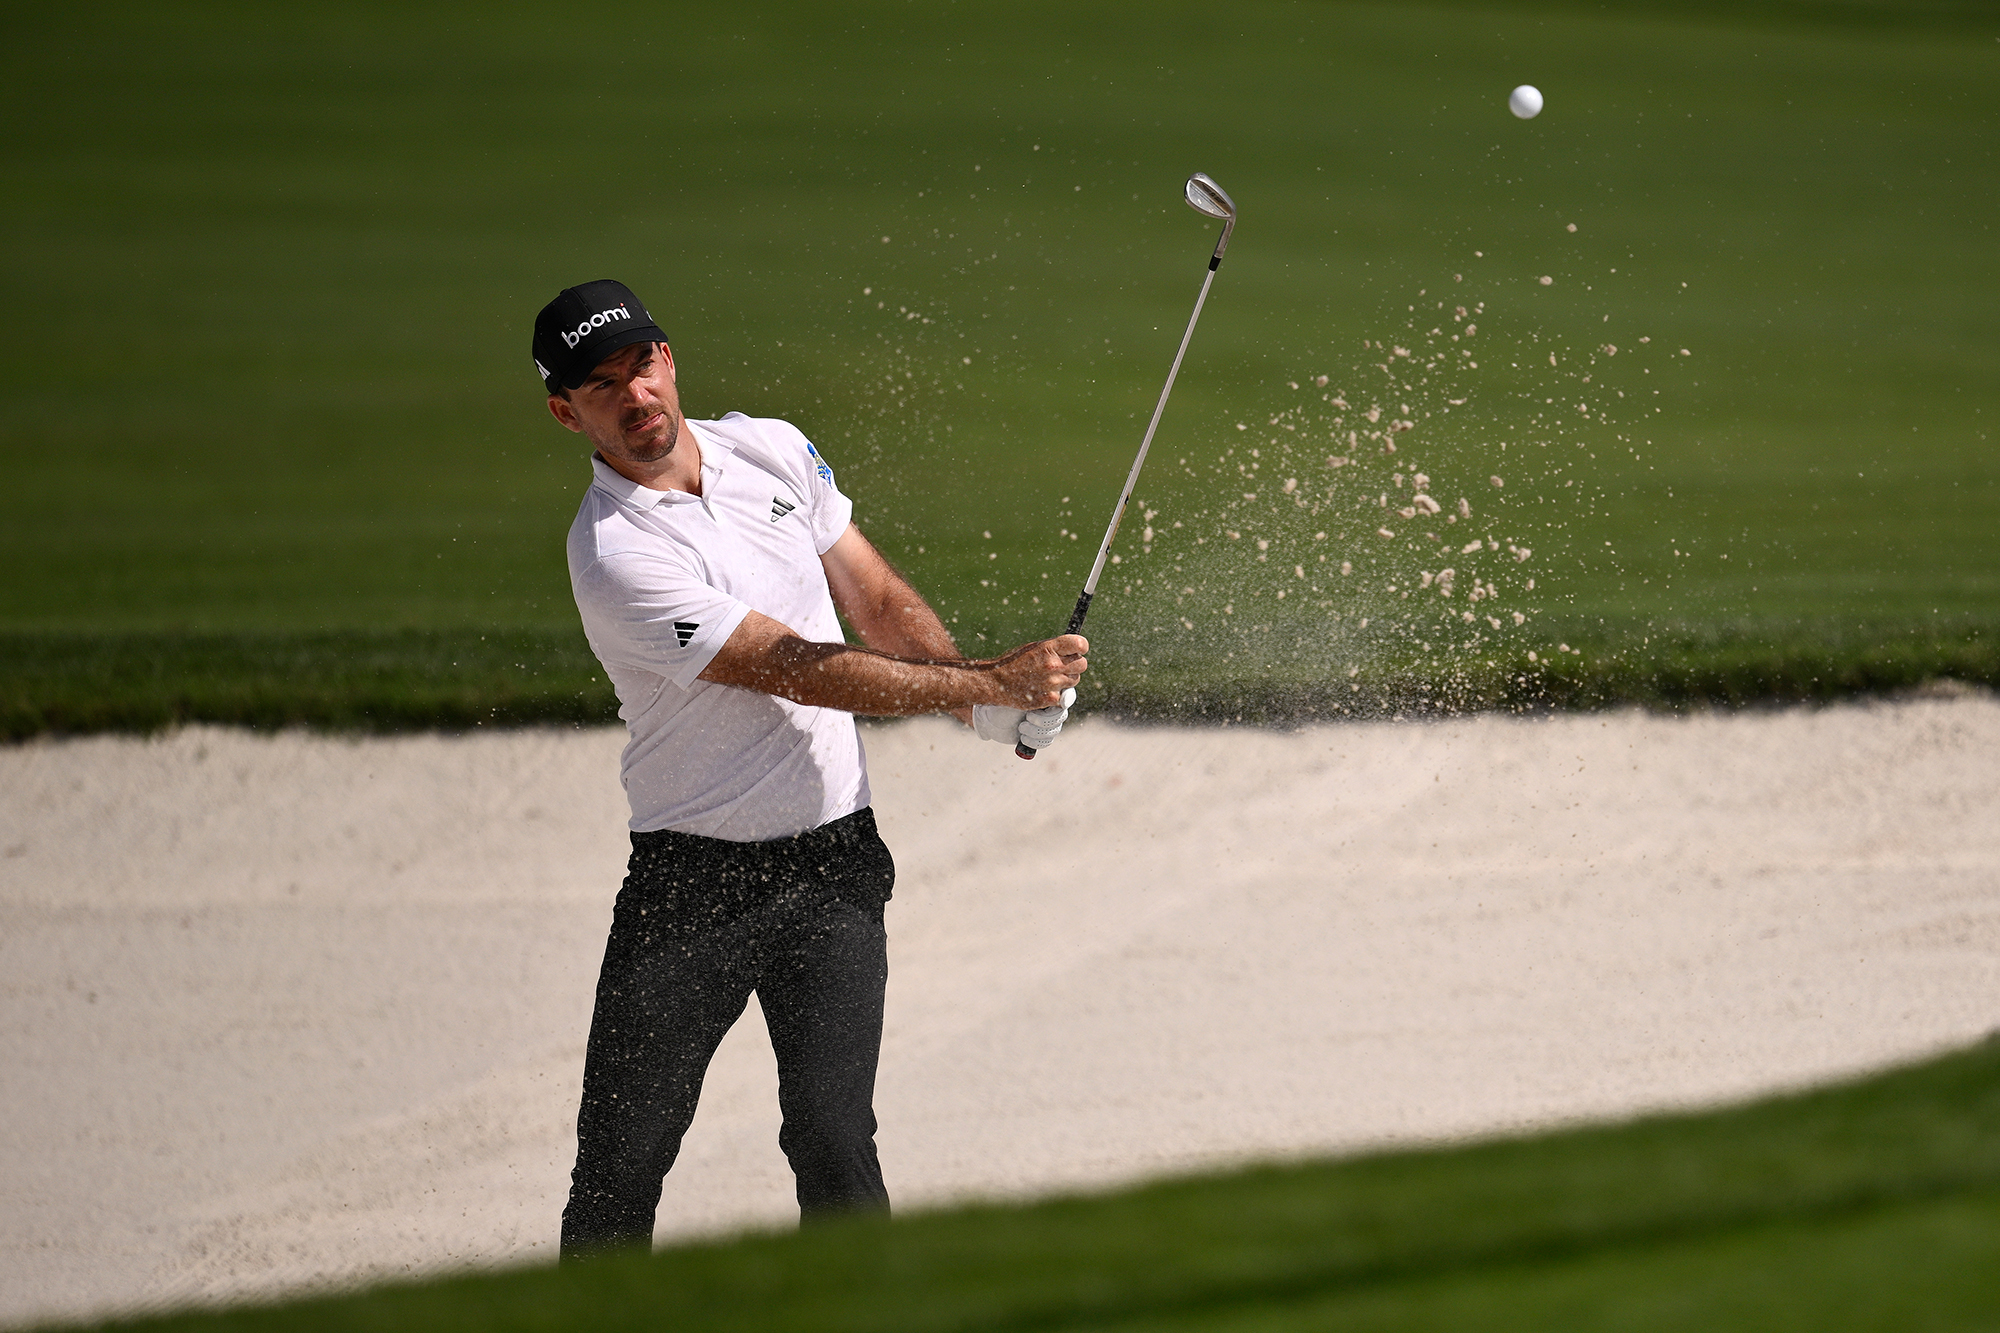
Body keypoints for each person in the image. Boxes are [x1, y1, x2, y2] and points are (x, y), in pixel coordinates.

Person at [532, 279, 1086, 1259]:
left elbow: (873, 599)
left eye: (640, 366)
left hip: (833, 865)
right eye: (601, 386)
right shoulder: (614, 553)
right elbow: (793, 667)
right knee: (620, 1165)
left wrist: (980, 703)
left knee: (834, 1141)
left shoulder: (770, 448)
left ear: (668, 357)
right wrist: (985, 680)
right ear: (565, 412)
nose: (635, 397)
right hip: (688, 886)